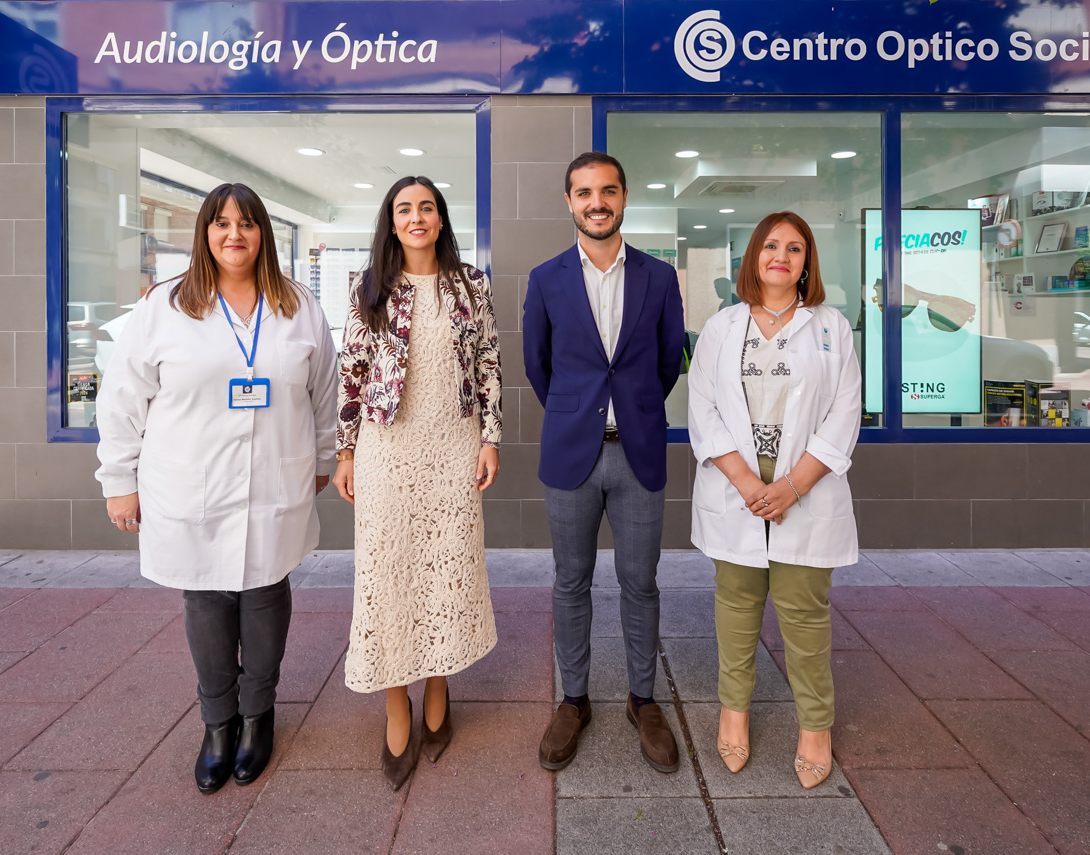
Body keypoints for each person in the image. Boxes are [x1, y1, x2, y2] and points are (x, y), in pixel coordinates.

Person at [95, 183, 337, 794]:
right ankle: (217, 722)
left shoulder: (298, 305)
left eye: (248, 224)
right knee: (205, 598)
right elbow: (122, 399)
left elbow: (325, 394)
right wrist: (118, 480)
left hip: (275, 476)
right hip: (188, 481)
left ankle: (258, 717)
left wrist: (324, 460)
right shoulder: (166, 307)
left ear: (265, 235)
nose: (235, 234)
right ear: (204, 233)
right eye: (222, 224)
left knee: (264, 592)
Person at [333, 175, 501, 791]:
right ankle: (395, 698)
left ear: (440, 218)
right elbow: (350, 372)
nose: (417, 217)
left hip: (453, 444)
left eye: (426, 207)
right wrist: (345, 450)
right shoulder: (369, 287)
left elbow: (488, 361)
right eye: (404, 208)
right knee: (388, 569)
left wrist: (491, 438)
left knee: (445, 563)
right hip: (387, 448)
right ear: (391, 220)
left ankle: (439, 680)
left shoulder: (469, 286)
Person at [687, 211, 861, 788]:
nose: (780, 256)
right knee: (735, 610)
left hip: (803, 490)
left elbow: (844, 414)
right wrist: (747, 484)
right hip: (738, 487)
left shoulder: (832, 326)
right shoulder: (722, 326)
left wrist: (790, 486)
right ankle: (733, 712)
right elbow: (704, 408)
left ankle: (816, 724)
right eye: (770, 246)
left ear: (807, 260)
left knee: (804, 615)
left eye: (793, 247)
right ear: (753, 257)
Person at [523, 152, 685, 773]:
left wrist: (633, 408)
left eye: (608, 191)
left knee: (640, 584)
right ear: (569, 201)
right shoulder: (546, 278)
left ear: (624, 198)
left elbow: (670, 361)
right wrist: (576, 413)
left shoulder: (660, 277)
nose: (597, 201)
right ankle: (574, 701)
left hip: (639, 453)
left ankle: (643, 700)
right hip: (571, 456)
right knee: (571, 582)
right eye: (584, 192)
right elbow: (539, 366)